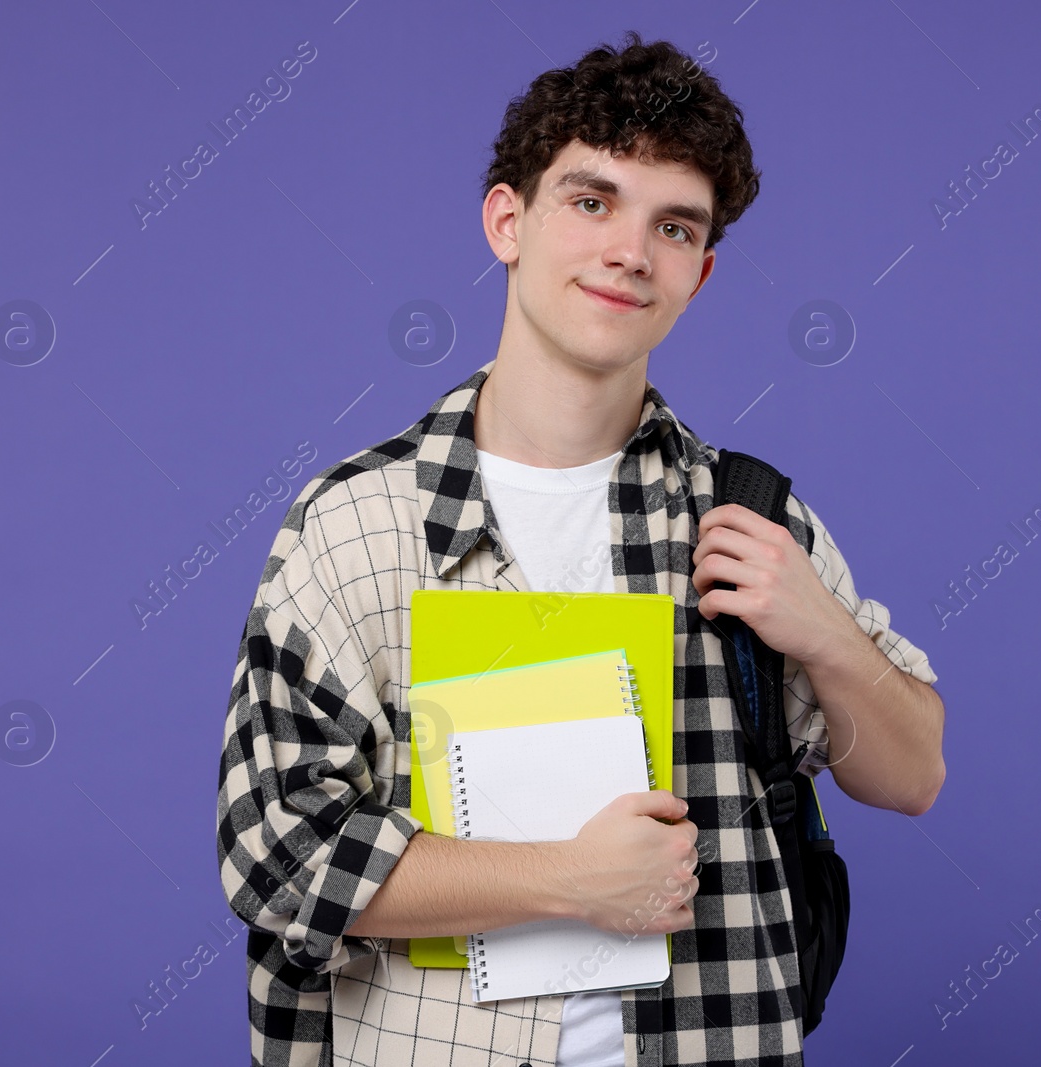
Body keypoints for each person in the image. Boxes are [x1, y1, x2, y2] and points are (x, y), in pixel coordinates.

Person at [216, 30, 945, 1067]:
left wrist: (827, 635)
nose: (628, 252)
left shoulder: (746, 516)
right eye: (591, 201)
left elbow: (913, 775)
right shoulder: (358, 522)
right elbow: (279, 857)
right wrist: (567, 877)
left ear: (699, 271)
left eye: (674, 226)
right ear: (507, 220)